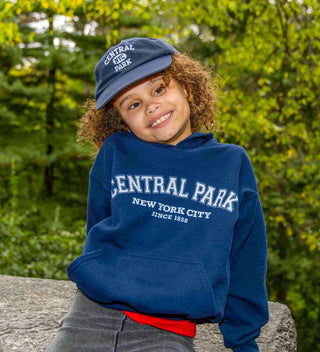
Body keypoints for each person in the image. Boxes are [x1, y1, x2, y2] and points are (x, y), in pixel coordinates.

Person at [46, 37, 269, 352]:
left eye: (159, 88)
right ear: (119, 118)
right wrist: (87, 292)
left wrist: (243, 339)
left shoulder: (231, 163)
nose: (150, 105)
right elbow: (99, 229)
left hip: (169, 326)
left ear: (188, 88)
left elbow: (247, 256)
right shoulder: (115, 154)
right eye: (133, 104)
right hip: (91, 314)